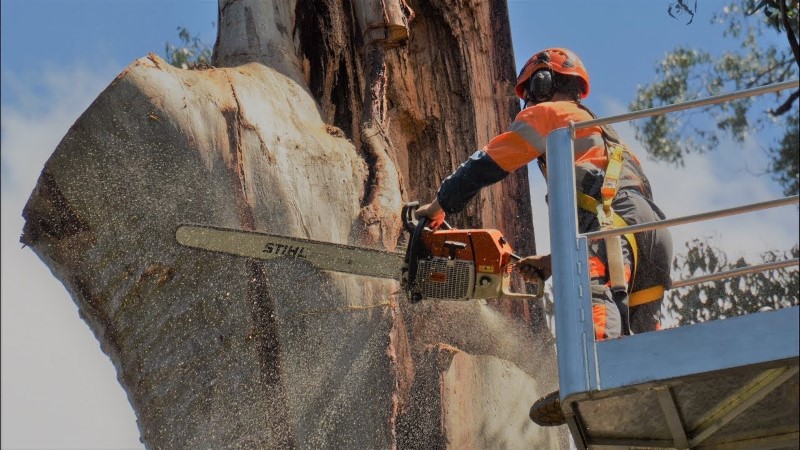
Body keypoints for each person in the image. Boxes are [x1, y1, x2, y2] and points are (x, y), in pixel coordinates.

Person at [415, 47, 673, 426]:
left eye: (530, 91)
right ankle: (651, 408)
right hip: (651, 233)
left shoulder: (550, 115)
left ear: (543, 81)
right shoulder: (602, 131)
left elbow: (483, 166)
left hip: (613, 222)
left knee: (593, 292)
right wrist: (553, 263)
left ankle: (592, 383)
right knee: (638, 325)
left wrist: (437, 207)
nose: (527, 102)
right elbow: (610, 210)